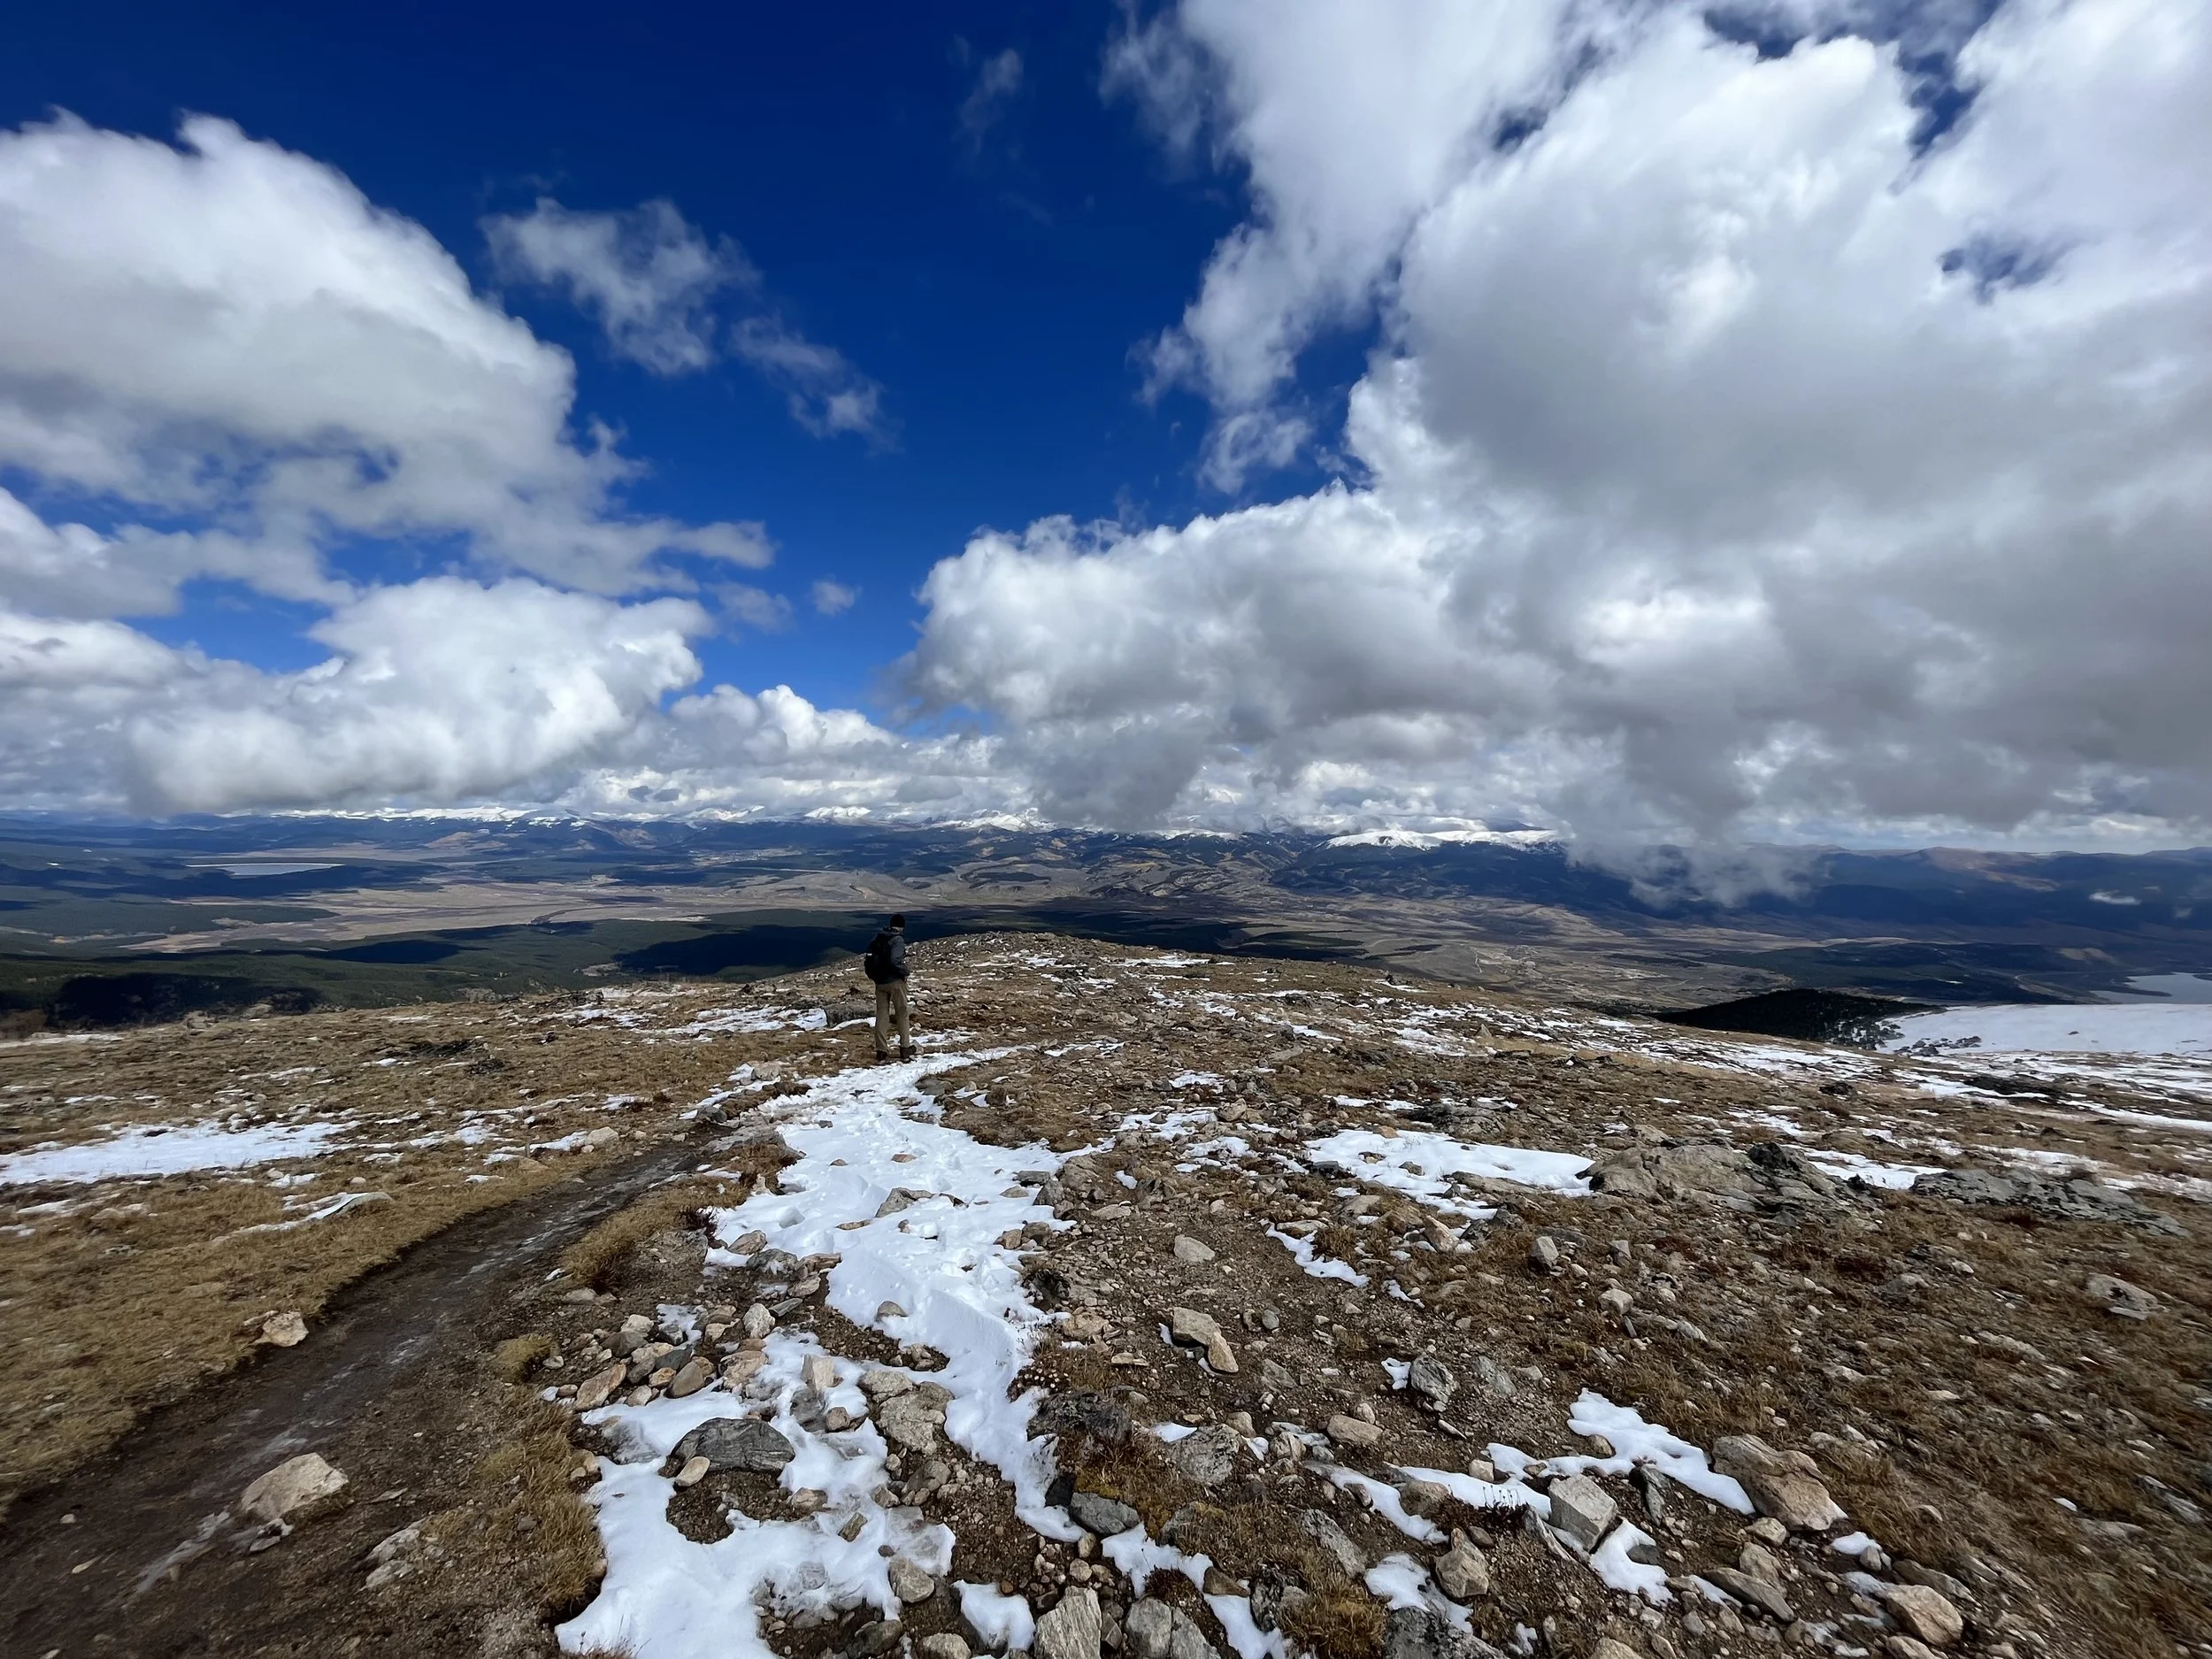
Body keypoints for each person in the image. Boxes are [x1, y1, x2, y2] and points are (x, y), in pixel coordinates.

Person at [863, 913, 913, 1062]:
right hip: (895, 982)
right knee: (902, 1013)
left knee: (882, 1015)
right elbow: (895, 960)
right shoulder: (897, 940)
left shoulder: (878, 937)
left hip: (880, 982)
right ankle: (905, 1049)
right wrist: (905, 971)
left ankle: (881, 1051)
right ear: (902, 926)